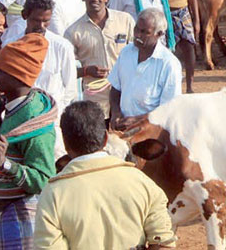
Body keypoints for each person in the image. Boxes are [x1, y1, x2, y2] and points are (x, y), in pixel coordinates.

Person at [33, 101, 177, 249]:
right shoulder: (145, 185)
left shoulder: (52, 194)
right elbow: (163, 244)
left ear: (65, 144)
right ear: (105, 138)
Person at [0, 33, 56, 250]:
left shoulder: (32, 118)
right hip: (6, 213)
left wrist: (5, 164)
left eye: (1, 70)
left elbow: (44, 179)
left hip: (22, 214)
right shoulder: (5, 107)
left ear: (18, 76)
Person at [2, 0, 79, 159]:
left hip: (50, 126)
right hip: (17, 125)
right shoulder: (11, 45)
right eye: (36, 20)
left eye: (46, 21)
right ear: (24, 15)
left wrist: (52, 117)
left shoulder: (61, 46)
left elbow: (70, 90)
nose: (41, 27)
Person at [65, 0, 135, 119]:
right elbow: (66, 72)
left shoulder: (125, 20)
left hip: (126, 97)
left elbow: (138, 54)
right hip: (95, 103)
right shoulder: (73, 31)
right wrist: (86, 71)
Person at [109, 8, 182, 128]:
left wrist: (138, 120)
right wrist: (116, 113)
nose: (137, 35)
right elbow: (115, 89)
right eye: (136, 29)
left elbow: (169, 109)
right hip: (122, 128)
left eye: (144, 32)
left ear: (159, 34)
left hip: (151, 133)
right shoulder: (126, 52)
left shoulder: (169, 64)